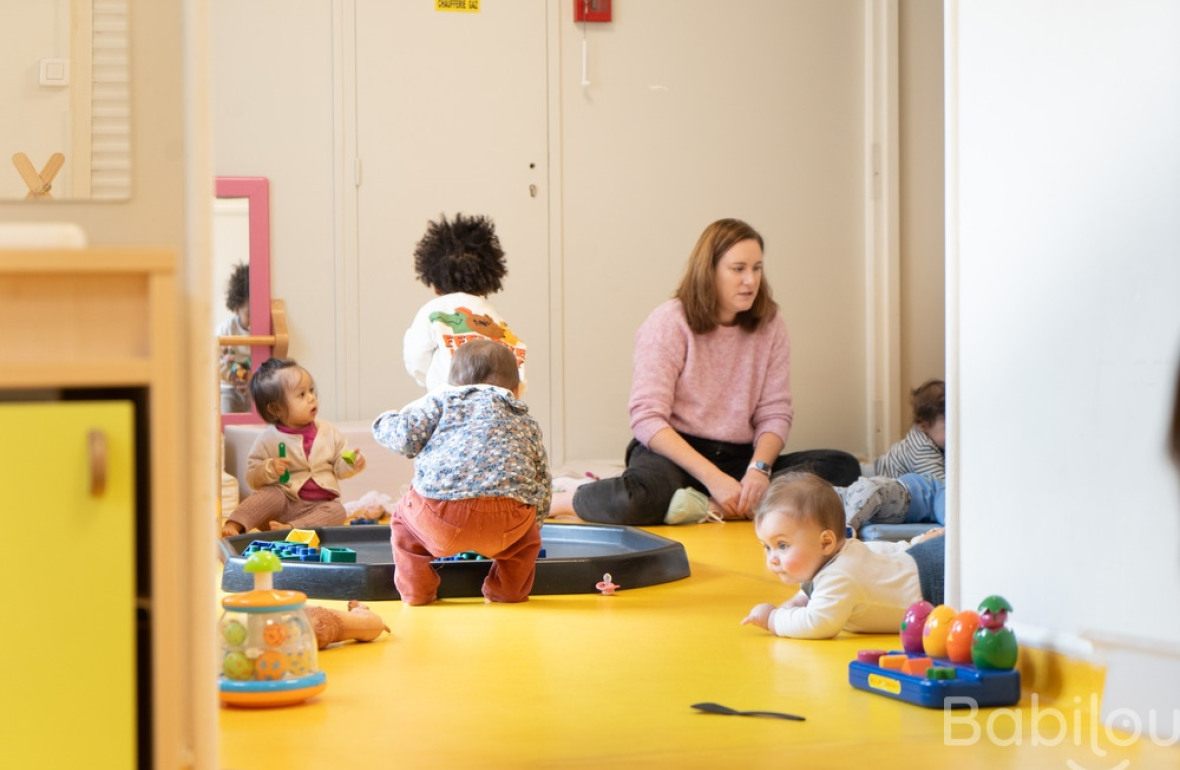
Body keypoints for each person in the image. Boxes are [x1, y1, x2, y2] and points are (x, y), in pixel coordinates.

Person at [556, 218, 860, 525]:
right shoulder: (668, 322)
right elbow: (646, 417)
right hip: (674, 454)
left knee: (842, 467)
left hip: (739, 458)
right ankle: (569, 498)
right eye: (738, 268)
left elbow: (775, 412)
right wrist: (713, 478)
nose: (750, 281)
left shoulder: (771, 324)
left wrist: (759, 470)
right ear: (710, 271)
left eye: (757, 268)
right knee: (634, 501)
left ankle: (705, 505)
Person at [373, 338, 550, 605]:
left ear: (453, 381)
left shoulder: (443, 401)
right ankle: (508, 591)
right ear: (516, 388)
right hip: (508, 522)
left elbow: (404, 440)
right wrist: (535, 522)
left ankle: (417, 592)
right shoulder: (525, 418)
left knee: (403, 525)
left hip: (440, 515)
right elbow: (542, 476)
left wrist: (384, 420)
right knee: (525, 545)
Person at [741, 472, 944, 639]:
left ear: (826, 542)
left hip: (936, 588)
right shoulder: (848, 551)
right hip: (921, 557)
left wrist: (773, 618)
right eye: (767, 547)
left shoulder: (840, 576)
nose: (772, 558)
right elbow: (884, 552)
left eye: (782, 545)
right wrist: (796, 603)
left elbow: (817, 623)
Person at [221, 358, 366, 537]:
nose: (312, 398)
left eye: (311, 391)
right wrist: (269, 468)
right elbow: (252, 478)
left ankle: (291, 529)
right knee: (270, 495)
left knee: (338, 511)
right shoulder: (268, 439)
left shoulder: (329, 432)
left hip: (318, 506)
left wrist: (350, 464)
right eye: (302, 395)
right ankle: (236, 524)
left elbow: (339, 469)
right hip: (282, 504)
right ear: (276, 409)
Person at [402, 212, 528, 392]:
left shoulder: (433, 312)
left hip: (450, 401)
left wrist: (430, 381)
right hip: (496, 405)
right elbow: (516, 358)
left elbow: (416, 355)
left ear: (435, 284)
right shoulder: (493, 317)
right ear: (487, 282)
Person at [871, 379, 945, 481]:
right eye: (947, 428)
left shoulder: (934, 438)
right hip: (881, 479)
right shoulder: (922, 448)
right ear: (924, 425)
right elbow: (939, 485)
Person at [838, 472, 945, 535]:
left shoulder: (855, 494)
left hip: (929, 491)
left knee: (955, 522)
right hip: (914, 500)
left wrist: (848, 527)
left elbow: (869, 489)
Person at [216, 263, 251, 413]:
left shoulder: (264, 329)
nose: (255, 319)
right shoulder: (226, 329)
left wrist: (252, 379)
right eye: (249, 314)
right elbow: (215, 359)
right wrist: (232, 377)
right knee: (226, 409)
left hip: (254, 385)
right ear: (237, 308)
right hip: (229, 387)